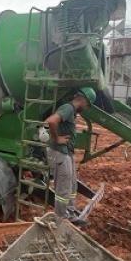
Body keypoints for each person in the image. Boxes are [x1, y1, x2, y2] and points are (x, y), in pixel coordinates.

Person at [44, 87, 96, 224]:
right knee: (63, 187)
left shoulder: (72, 111)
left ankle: (70, 213)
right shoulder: (68, 108)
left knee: (72, 185)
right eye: (87, 105)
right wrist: (57, 138)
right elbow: (51, 121)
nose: (86, 108)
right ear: (83, 100)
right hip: (59, 152)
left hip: (66, 152)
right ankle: (60, 218)